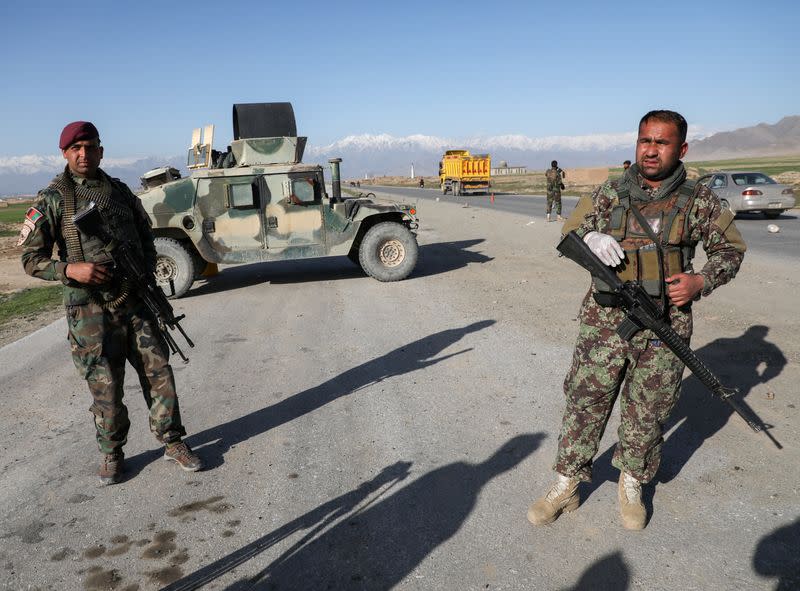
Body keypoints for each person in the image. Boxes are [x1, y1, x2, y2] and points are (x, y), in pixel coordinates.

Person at [528, 110, 745, 530]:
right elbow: (572, 229)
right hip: (604, 320)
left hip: (666, 323)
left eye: (661, 142)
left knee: (649, 408)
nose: (650, 149)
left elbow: (731, 251)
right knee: (584, 399)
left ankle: (632, 481)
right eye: (645, 140)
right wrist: (591, 236)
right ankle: (567, 483)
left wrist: (701, 280)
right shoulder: (611, 191)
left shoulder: (698, 200)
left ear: (681, 149)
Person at [20, 121, 203, 485]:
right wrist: (71, 269)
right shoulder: (52, 199)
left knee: (158, 373)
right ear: (65, 154)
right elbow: (29, 259)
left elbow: (145, 238)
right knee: (105, 386)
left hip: (135, 300)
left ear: (101, 151)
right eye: (76, 149)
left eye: (90, 147)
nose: (83, 154)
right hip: (88, 309)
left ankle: (172, 440)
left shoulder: (119, 193)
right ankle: (112, 451)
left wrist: (145, 273)